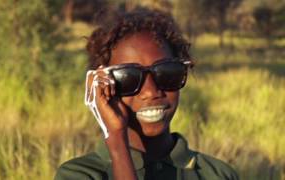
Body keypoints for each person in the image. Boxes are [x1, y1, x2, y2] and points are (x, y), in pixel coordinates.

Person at [55, 7, 239, 180]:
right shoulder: (79, 174)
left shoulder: (217, 174)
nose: (151, 92)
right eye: (128, 78)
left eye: (166, 72)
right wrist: (117, 142)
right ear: (101, 87)